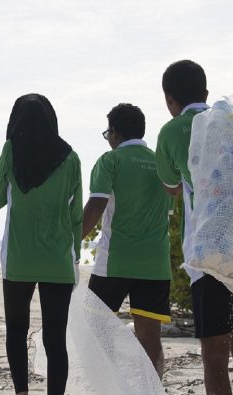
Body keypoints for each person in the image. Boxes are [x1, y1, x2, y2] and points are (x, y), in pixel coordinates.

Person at [155, 59, 233, 395]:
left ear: (170, 100)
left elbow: (171, 186)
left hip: (206, 251)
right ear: (206, 92)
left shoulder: (171, 132)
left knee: (214, 352)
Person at [0, 93, 82, 395]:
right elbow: (75, 216)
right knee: (55, 341)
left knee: (16, 331)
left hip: (18, 259)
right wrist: (73, 259)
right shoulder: (71, 157)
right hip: (59, 261)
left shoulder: (11, 150)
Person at [81, 103, 173, 376]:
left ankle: (111, 392)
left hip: (115, 261)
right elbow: (167, 212)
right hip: (155, 263)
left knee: (95, 325)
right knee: (150, 334)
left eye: (108, 132)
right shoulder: (160, 162)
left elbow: (95, 208)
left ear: (115, 133)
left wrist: (70, 242)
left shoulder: (110, 161)